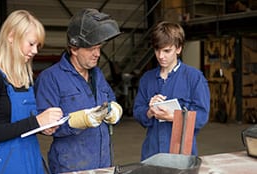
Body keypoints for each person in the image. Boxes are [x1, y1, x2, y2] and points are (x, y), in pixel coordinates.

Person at [34, 8, 123, 173]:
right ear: (74, 48)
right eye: (91, 49)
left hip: (104, 164)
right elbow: (44, 126)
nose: (97, 54)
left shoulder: (97, 74)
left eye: (99, 47)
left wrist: (114, 111)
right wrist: (79, 121)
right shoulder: (50, 78)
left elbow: (111, 100)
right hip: (71, 166)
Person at [0, 10, 63, 174]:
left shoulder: (24, 78)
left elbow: (22, 125)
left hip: (29, 162)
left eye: (37, 46)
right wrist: (36, 122)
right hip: (1, 167)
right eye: (31, 44)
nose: (35, 51)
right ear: (11, 36)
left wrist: (42, 126)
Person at [133, 21, 210, 161]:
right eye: (157, 50)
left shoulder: (194, 78)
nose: (161, 56)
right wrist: (150, 111)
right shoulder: (147, 79)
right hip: (152, 153)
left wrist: (175, 117)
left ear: (179, 48)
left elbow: (202, 116)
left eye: (167, 51)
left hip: (181, 154)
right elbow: (138, 112)